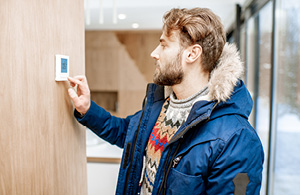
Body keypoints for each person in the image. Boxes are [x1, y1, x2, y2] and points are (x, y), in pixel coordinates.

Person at [68, 7, 264, 195]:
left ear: (192, 53)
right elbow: (125, 133)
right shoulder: (160, 106)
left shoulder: (238, 139)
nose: (154, 53)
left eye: (163, 45)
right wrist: (87, 109)